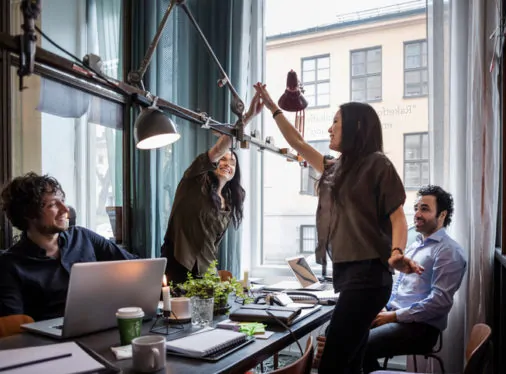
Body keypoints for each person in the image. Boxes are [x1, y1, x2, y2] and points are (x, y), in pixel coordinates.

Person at [253, 82, 423, 374]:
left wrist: (397, 252)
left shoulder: (378, 164)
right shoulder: (336, 169)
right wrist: (271, 107)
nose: (330, 129)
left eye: (335, 122)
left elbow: (398, 217)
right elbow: (299, 144)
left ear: (356, 128)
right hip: (351, 277)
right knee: (349, 361)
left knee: (331, 362)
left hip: (370, 277)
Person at [0, 173, 137, 321]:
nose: (65, 209)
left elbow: (137, 267)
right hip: (50, 341)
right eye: (53, 204)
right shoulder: (9, 265)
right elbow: (13, 329)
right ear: (28, 214)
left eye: (63, 201)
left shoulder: (84, 237)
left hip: (103, 324)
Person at [161, 92, 263, 284]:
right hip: (178, 265)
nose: (227, 164)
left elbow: (212, 243)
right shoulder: (194, 180)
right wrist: (248, 116)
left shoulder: (230, 201)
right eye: (223, 159)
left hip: (207, 272)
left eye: (232, 162)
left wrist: (214, 277)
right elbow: (217, 149)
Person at [362, 185, 467, 372]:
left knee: (358, 346)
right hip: (395, 316)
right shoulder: (415, 246)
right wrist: (384, 308)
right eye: (416, 208)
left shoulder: (449, 251)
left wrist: (393, 316)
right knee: (339, 333)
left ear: (442, 215)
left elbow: (439, 302)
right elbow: (399, 289)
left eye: (424, 209)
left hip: (420, 329)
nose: (417, 214)